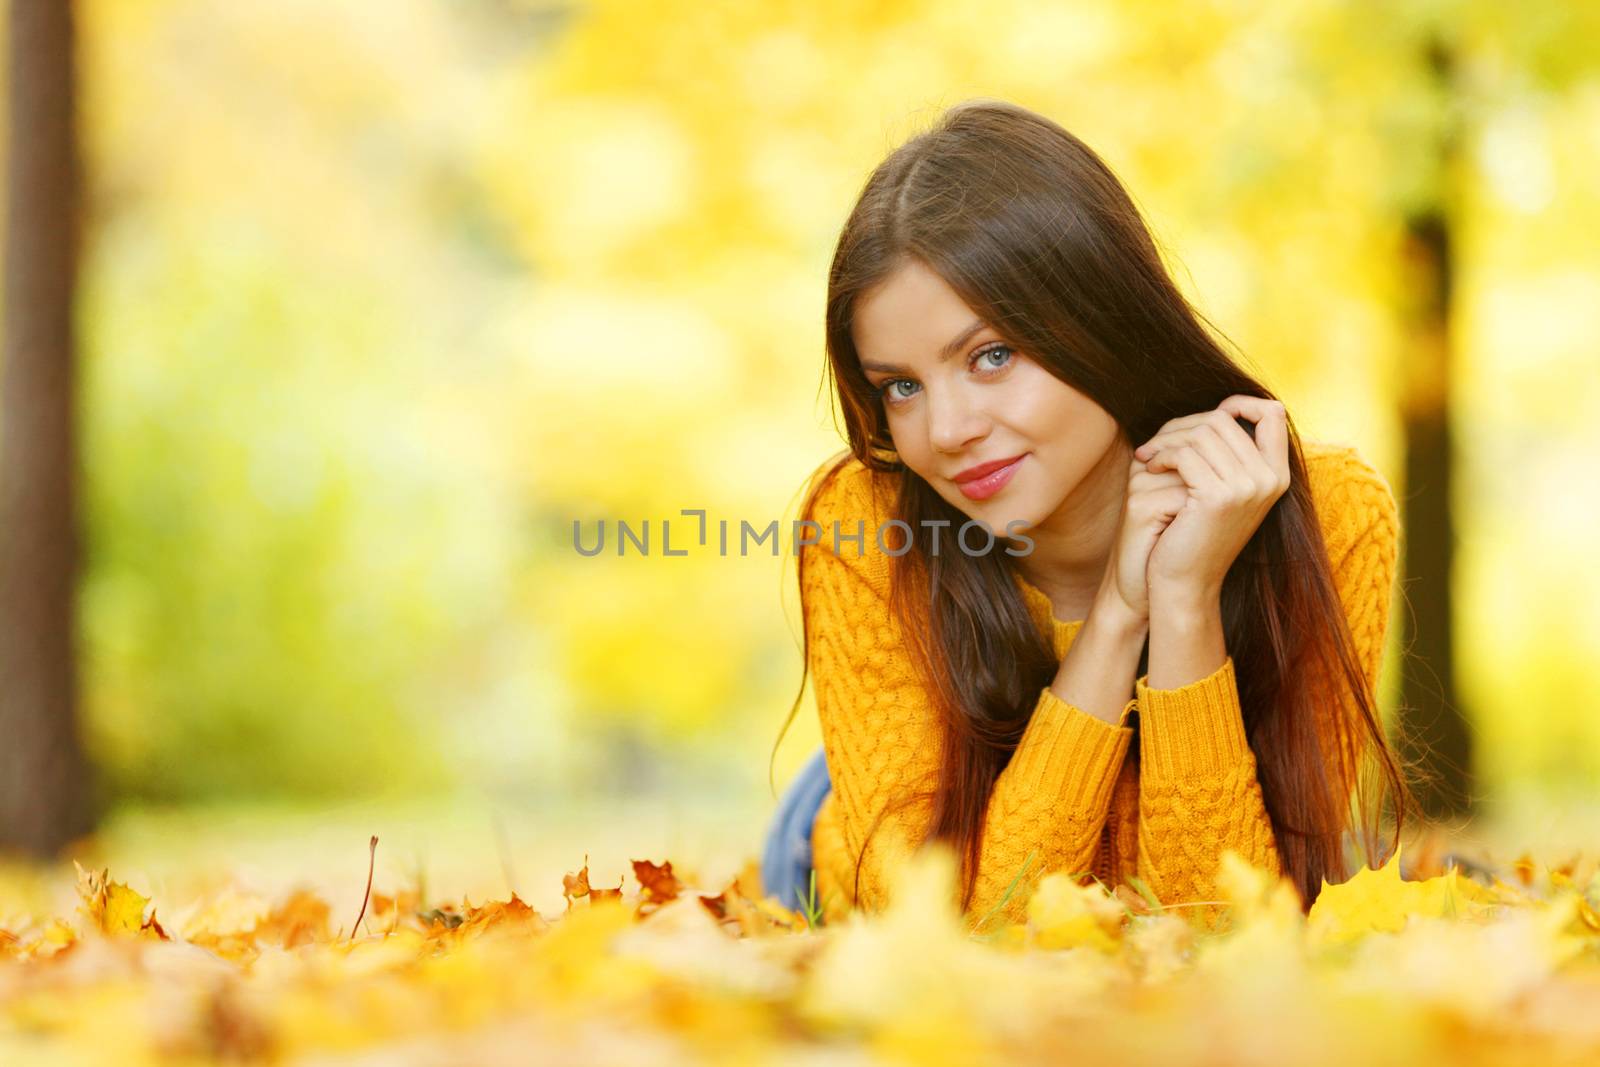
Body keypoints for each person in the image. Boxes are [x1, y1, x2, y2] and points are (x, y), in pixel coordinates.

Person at [761, 99, 1419, 931]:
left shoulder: (1325, 512)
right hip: (885, 813)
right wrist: (1117, 617)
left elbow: (1228, 927)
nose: (948, 429)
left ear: (1104, 320)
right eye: (901, 385)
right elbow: (961, 932)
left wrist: (1185, 600)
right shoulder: (865, 522)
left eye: (991, 355)